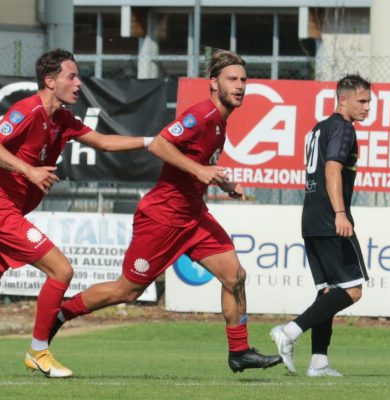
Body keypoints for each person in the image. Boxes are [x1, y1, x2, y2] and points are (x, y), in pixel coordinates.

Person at [0, 49, 152, 378]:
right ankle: (39, 351)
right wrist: (29, 171)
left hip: (2, 211)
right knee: (61, 271)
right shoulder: (27, 110)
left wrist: (153, 140)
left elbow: (105, 142)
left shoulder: (62, 119)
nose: (78, 83)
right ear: (50, 81)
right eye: (71, 76)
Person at [47, 50, 282, 374]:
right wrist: (200, 173)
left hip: (193, 217)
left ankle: (239, 351)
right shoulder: (201, 115)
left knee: (235, 276)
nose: (240, 86)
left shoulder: (219, 122)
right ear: (213, 83)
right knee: (126, 291)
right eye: (232, 79)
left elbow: (199, 163)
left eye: (243, 80)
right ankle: (60, 314)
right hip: (162, 218)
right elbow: (159, 144)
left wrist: (223, 183)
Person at [270, 73, 371, 377]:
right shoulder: (343, 128)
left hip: (311, 217)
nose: (367, 107)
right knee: (353, 290)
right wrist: (340, 213)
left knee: (329, 291)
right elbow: (331, 171)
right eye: (362, 101)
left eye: (369, 101)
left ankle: (319, 362)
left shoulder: (320, 127)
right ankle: (289, 331)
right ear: (343, 99)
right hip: (330, 218)